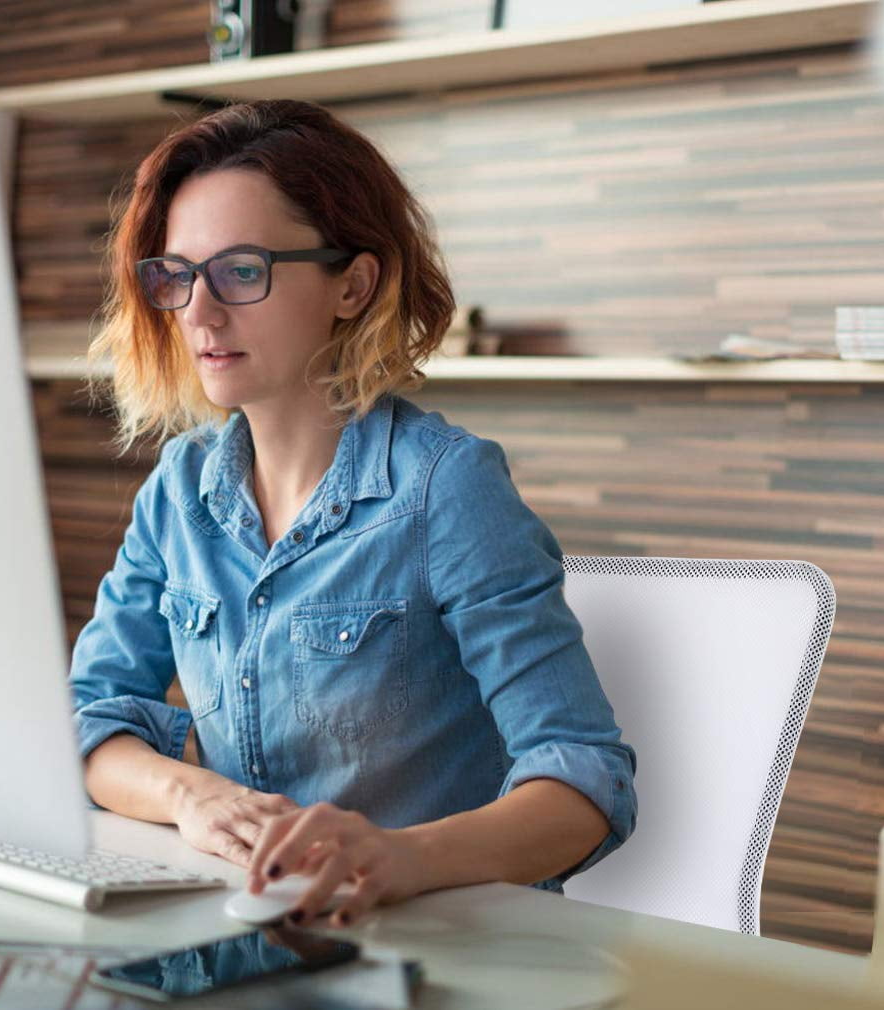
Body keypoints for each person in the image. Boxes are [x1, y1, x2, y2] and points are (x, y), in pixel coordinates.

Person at [70, 99, 637, 931]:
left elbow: (584, 779)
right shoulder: (178, 490)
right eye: (177, 275)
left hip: (442, 944)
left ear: (353, 283)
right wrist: (190, 794)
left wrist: (402, 856)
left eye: (241, 270)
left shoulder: (447, 487)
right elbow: (93, 720)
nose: (197, 311)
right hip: (257, 932)